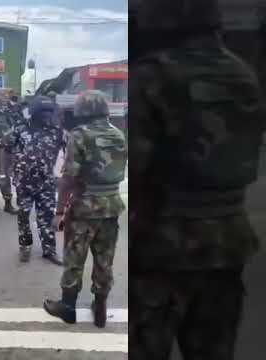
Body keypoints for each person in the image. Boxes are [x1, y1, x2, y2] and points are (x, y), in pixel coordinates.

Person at [129, 0, 265, 358]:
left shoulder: (151, 76)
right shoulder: (242, 73)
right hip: (228, 239)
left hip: (162, 245)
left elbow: (135, 168)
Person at [43, 90, 127, 328]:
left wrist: (59, 211)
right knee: (104, 259)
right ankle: (100, 309)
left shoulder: (79, 135)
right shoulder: (118, 133)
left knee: (74, 257)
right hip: (111, 205)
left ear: (82, 111)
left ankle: (68, 308)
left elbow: (69, 177)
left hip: (85, 208)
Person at [0, 96, 64, 265]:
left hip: (46, 182)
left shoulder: (56, 130)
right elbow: (5, 149)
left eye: (50, 112)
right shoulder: (19, 129)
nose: (47, 115)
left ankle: (49, 250)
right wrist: (3, 173)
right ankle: (25, 246)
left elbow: (73, 149)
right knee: (23, 215)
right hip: (24, 182)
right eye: (43, 111)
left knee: (47, 216)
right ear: (34, 112)